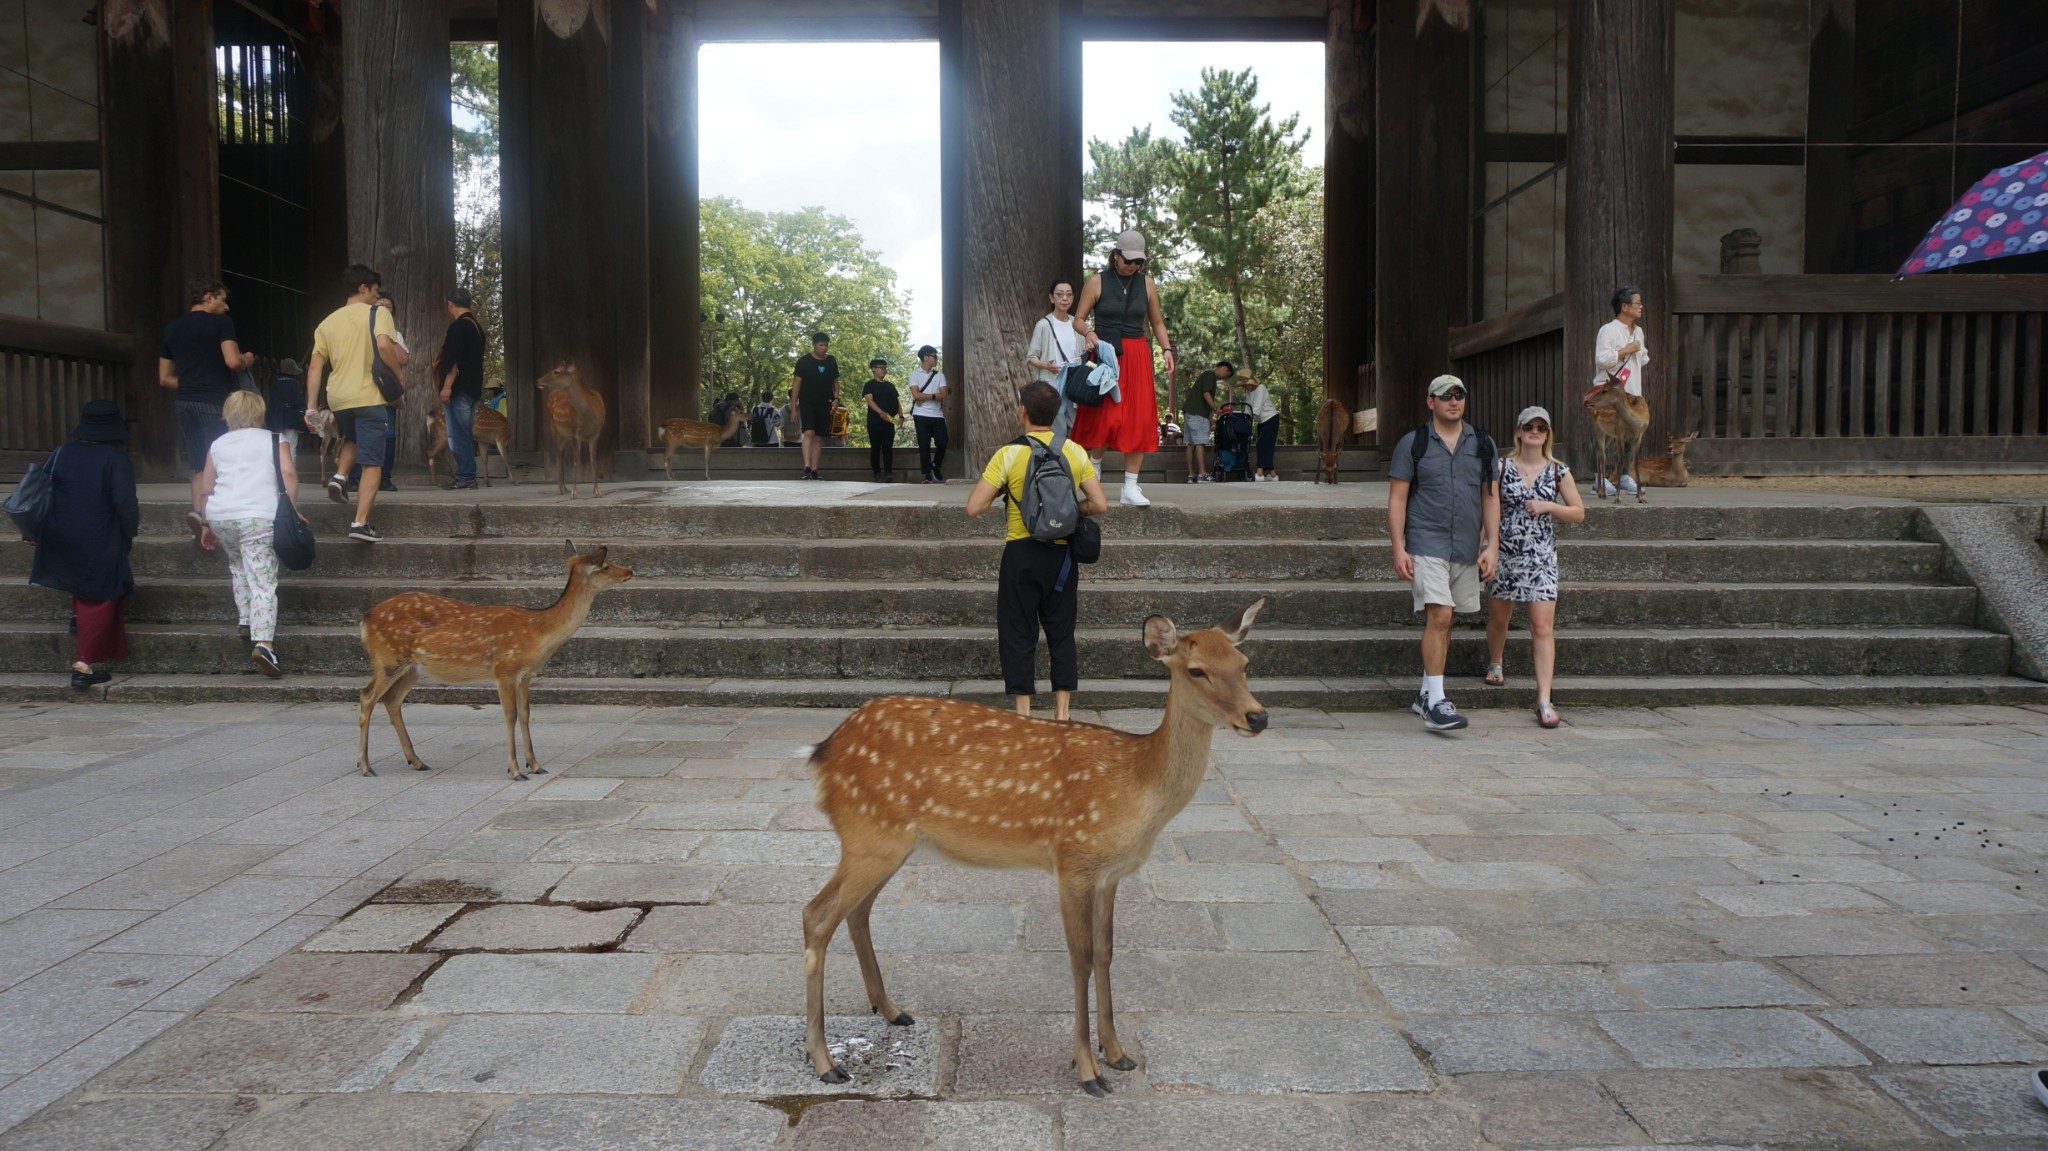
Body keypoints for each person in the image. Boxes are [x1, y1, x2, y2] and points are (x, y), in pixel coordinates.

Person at [966, 379, 1109, 721]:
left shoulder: (1009, 453)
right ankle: (1062, 715)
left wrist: (1007, 493)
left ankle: (1024, 716)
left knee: (1018, 632)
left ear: (1023, 412)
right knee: (1062, 633)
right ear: (1057, 413)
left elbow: (974, 507)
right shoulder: (1073, 450)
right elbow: (1100, 504)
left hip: (1021, 554)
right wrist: (1073, 510)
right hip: (1062, 559)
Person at [1388, 374, 1499, 733]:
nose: (1454, 401)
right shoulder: (1413, 444)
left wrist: (1492, 544)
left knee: (1446, 620)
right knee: (1440, 614)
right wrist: (1399, 547)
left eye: (1460, 394)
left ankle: (1425, 692)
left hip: (1466, 545)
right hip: (1426, 541)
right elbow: (1398, 499)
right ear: (1430, 401)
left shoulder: (1483, 443)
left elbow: (1490, 497)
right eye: (1445, 395)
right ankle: (1436, 701)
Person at [1483, 405, 1585, 728]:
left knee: (1542, 626)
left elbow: (1579, 512)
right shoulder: (1500, 467)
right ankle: (1496, 661)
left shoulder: (1559, 471)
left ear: (1547, 434)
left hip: (1541, 558)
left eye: (1541, 427)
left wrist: (1549, 505)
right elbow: (1491, 509)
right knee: (1500, 618)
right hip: (1507, 553)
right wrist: (1486, 545)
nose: (1535, 431)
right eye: (1530, 425)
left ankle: (1543, 698)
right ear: (1518, 431)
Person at [194, 391, 305, 677]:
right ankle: (264, 643)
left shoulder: (217, 444)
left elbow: (206, 488)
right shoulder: (273, 440)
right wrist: (292, 509)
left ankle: (246, 618)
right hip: (258, 515)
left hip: (221, 515)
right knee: (263, 578)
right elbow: (289, 475)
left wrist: (206, 524)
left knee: (238, 566)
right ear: (259, 414)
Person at [30, 400, 139, 689]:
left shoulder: (62, 452)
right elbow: (125, 504)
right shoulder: (114, 459)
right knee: (100, 594)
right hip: (98, 533)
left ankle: (89, 631)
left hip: (59, 532)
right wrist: (129, 534)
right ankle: (84, 664)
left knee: (83, 586)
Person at [1072, 229, 1174, 507]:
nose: (1133, 266)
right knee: (1106, 416)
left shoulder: (1148, 284)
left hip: (1137, 353)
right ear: (1115, 256)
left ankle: (1131, 486)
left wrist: (1166, 349)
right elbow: (1078, 319)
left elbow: (1157, 323)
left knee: (1138, 418)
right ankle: (1093, 472)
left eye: (1138, 262)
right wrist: (1088, 333)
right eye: (1128, 260)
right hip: (1106, 353)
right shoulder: (1097, 281)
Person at [307, 264, 404, 542]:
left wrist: (312, 407)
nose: (377, 297)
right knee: (373, 462)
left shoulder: (327, 322)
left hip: (338, 396)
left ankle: (339, 475)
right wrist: (399, 378)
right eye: (375, 291)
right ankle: (360, 523)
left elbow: (315, 367)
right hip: (369, 394)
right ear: (363, 288)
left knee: (351, 437)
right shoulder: (379, 313)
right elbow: (386, 347)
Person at [159, 277, 257, 541]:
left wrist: (191, 382)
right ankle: (208, 516)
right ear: (208, 296)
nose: (226, 308)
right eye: (223, 300)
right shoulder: (221, 323)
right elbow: (232, 361)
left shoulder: (172, 329)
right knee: (218, 459)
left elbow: (165, 378)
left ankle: (197, 509)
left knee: (198, 459)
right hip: (214, 401)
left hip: (185, 402)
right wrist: (248, 359)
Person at [1593, 284, 1650, 495]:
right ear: (1625, 306)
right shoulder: (1608, 330)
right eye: (1637, 303)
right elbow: (1602, 359)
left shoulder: (1639, 331)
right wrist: (1626, 350)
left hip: (1632, 390)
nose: (1641, 307)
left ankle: (1624, 475)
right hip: (1610, 391)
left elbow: (1642, 359)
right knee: (1605, 434)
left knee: (1630, 433)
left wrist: (1639, 352)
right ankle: (1598, 478)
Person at [436, 288, 486, 490]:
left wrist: (446, 387)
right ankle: (468, 475)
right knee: (465, 432)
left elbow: (452, 360)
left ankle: (466, 475)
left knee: (459, 434)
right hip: (473, 388)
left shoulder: (458, 327)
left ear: (450, 304)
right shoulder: (477, 327)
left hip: (459, 389)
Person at [1024, 278, 1081, 435]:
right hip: (1052, 384)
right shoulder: (1043, 324)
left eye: (1069, 295)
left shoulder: (1076, 323)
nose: (1064, 298)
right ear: (1051, 297)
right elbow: (1031, 357)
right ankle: (1056, 458)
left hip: (1073, 383)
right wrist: (1045, 365)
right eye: (1060, 294)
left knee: (1076, 425)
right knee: (1056, 426)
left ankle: (1072, 458)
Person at [794, 332, 839, 480]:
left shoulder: (831, 361)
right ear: (814, 345)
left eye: (826, 345)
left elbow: (835, 382)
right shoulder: (804, 361)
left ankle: (814, 469)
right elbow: (796, 384)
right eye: (821, 345)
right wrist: (793, 407)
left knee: (819, 437)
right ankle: (806, 467)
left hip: (824, 402)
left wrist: (836, 398)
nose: (824, 348)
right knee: (809, 432)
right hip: (807, 401)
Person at [1182, 361, 1231, 482]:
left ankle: (1191, 474)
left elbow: (1204, 403)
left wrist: (1211, 420)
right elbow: (1206, 394)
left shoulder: (1205, 376)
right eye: (1226, 373)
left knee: (1191, 444)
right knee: (1200, 443)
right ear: (1224, 368)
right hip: (1198, 416)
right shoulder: (1210, 375)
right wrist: (1215, 408)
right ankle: (1202, 474)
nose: (1224, 377)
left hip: (1190, 413)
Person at [909, 345, 949, 482]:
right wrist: (932, 396)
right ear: (926, 358)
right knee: (924, 445)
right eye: (934, 356)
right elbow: (915, 394)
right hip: (920, 414)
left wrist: (923, 396)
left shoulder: (939, 375)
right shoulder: (914, 375)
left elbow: (942, 394)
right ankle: (926, 474)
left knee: (943, 442)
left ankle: (936, 465)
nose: (937, 358)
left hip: (937, 415)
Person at [863, 357, 903, 481]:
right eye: (881, 368)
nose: (883, 370)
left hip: (889, 421)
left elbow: (897, 402)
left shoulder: (890, 385)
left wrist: (901, 416)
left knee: (887, 447)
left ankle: (888, 472)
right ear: (873, 369)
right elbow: (869, 400)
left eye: (885, 368)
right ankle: (876, 473)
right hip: (874, 421)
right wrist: (881, 412)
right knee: (875, 447)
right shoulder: (869, 385)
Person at [1241, 373, 1281, 481]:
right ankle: (1273, 475)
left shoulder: (1261, 389)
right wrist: (1242, 418)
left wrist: (1248, 415)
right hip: (1261, 422)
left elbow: (1256, 409)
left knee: (1261, 445)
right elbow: (1248, 409)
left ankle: (1259, 473)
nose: (1245, 388)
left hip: (1271, 419)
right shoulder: (1249, 393)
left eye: (1245, 385)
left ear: (1251, 383)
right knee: (1267, 447)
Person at [266, 357, 307, 458]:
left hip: (276, 421)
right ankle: (290, 467)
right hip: (291, 420)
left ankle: (278, 468)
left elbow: (271, 404)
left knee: (278, 445)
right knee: (291, 446)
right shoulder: (294, 385)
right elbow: (298, 402)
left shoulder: (274, 385)